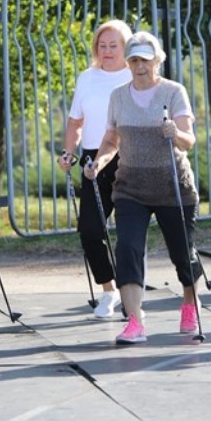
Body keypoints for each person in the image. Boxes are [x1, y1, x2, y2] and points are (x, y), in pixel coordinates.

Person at [84, 31, 204, 344]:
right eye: (134, 60)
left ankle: (190, 302)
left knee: (183, 254)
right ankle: (135, 321)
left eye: (145, 61)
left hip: (171, 184)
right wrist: (99, 161)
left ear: (158, 61)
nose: (139, 66)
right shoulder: (119, 96)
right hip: (131, 186)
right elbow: (112, 139)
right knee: (128, 250)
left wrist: (175, 132)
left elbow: (189, 141)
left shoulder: (173, 92)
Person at [57, 19, 133, 318]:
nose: (107, 50)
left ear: (126, 47)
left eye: (114, 45)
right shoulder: (87, 78)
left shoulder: (134, 75)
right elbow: (76, 122)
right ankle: (109, 290)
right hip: (92, 159)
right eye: (102, 45)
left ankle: (132, 290)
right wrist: (68, 153)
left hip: (129, 157)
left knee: (129, 231)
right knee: (90, 229)